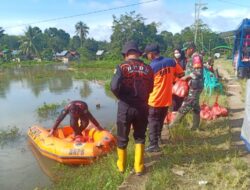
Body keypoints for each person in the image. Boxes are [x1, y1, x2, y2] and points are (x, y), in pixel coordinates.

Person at [110, 41, 154, 175]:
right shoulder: (148, 68)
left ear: (126, 54)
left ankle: (121, 166)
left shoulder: (121, 67)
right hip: (142, 106)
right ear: (138, 54)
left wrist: (121, 97)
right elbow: (151, 88)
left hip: (125, 106)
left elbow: (113, 87)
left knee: (122, 136)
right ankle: (139, 167)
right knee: (140, 136)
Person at [143, 44, 184, 152]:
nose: (147, 57)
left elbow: (146, 85)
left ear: (151, 54)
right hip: (167, 99)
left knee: (152, 121)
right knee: (160, 120)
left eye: (147, 55)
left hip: (155, 99)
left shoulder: (151, 67)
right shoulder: (171, 62)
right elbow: (180, 74)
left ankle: (153, 144)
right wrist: (169, 80)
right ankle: (158, 139)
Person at [169, 41, 203, 130]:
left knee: (187, 104)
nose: (185, 52)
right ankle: (195, 127)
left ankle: (174, 124)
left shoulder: (196, 57)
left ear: (191, 49)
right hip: (194, 84)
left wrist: (186, 76)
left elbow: (198, 72)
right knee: (195, 105)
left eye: (186, 50)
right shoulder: (192, 57)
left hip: (195, 85)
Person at [173, 47, 186, 112]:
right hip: (174, 83)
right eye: (175, 53)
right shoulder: (172, 61)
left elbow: (186, 72)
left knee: (182, 97)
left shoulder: (184, 61)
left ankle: (181, 112)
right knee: (175, 98)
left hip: (183, 82)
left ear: (181, 53)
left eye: (178, 52)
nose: (176, 54)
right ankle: (175, 112)